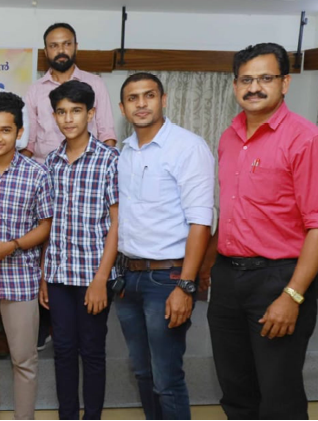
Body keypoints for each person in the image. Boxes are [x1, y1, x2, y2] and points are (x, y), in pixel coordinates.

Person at [201, 43, 318, 420]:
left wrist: (292, 295)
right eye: (246, 79)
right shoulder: (229, 138)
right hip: (228, 278)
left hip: (278, 279)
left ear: (285, 83)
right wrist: (208, 268)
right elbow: (231, 213)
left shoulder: (307, 140)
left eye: (265, 78)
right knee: (236, 390)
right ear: (234, 85)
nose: (254, 87)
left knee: (279, 396)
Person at [115, 72, 214, 420]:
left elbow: (201, 222)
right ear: (123, 108)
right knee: (143, 372)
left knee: (166, 379)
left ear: (163, 100)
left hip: (168, 279)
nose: (141, 104)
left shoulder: (188, 147)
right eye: (133, 98)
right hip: (128, 278)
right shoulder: (125, 152)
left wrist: (186, 285)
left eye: (149, 95)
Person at [0, 92, 52, 421]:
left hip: (20, 278)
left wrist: (12, 246)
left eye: (5, 130)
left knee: (24, 358)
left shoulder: (37, 174)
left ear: (19, 132)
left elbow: (45, 226)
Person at [39, 81, 119, 420]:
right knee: (63, 350)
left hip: (93, 276)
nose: (68, 118)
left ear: (91, 113)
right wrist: (44, 276)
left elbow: (117, 223)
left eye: (76, 111)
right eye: (61, 112)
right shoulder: (51, 162)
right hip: (58, 275)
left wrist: (101, 279)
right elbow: (47, 223)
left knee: (92, 351)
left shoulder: (109, 160)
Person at [24, 22, 116, 164]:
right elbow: (29, 142)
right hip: (46, 169)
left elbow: (107, 134)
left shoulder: (95, 84)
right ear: (46, 51)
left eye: (67, 44)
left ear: (76, 47)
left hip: (88, 167)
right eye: (54, 46)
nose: (61, 50)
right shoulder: (34, 90)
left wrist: (103, 166)